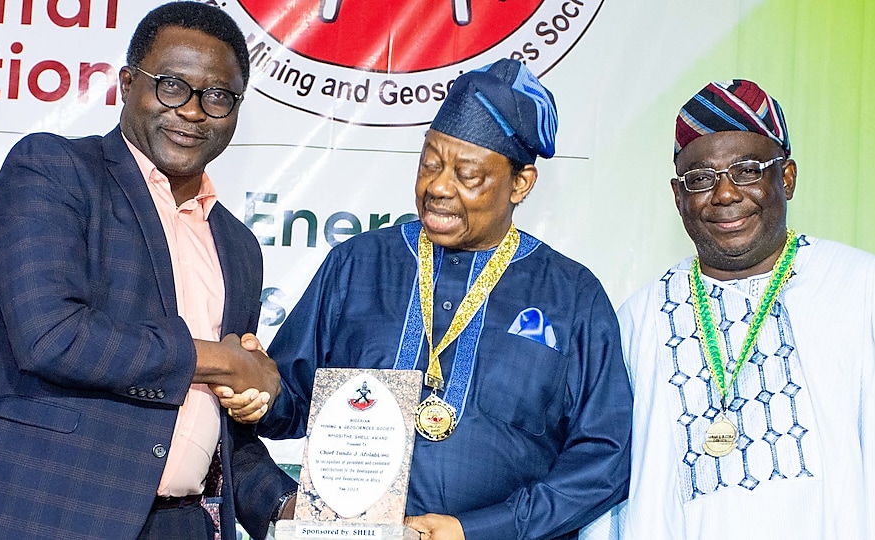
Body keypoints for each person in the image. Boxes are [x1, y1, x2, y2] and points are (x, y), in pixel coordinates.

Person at [0, 3, 294, 539]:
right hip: (41, 515)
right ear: (128, 84)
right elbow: (52, 337)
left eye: (218, 96)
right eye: (172, 85)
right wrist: (226, 362)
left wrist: (291, 509)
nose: (194, 111)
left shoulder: (238, 246)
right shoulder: (54, 170)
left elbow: (212, 423)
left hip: (179, 525)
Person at [253, 59, 633, 540]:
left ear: (521, 184)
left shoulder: (573, 296)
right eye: (430, 163)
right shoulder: (357, 265)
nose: (437, 187)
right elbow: (291, 403)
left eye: (467, 174)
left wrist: (483, 530)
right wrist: (254, 390)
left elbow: (605, 458)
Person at [616, 79, 875, 539]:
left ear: (785, 177)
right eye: (700, 179)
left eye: (747, 170)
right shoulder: (637, 321)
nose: (724, 195)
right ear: (677, 196)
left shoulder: (871, 291)